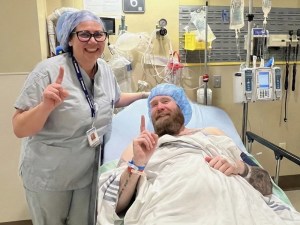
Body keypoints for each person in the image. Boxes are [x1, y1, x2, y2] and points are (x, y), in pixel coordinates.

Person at [12, 10, 148, 225]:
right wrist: (45, 106)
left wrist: (146, 95)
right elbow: (19, 128)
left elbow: (115, 99)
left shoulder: (104, 69)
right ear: (70, 39)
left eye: (98, 34)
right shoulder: (47, 72)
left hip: (86, 174)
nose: (92, 41)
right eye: (84, 34)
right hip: (50, 176)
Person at [97, 83, 300, 225]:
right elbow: (116, 205)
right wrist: (137, 164)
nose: (159, 107)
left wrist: (241, 168)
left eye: (165, 101)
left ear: (181, 107)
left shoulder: (212, 133)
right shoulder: (138, 146)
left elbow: (265, 186)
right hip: (167, 206)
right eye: (153, 105)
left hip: (230, 201)